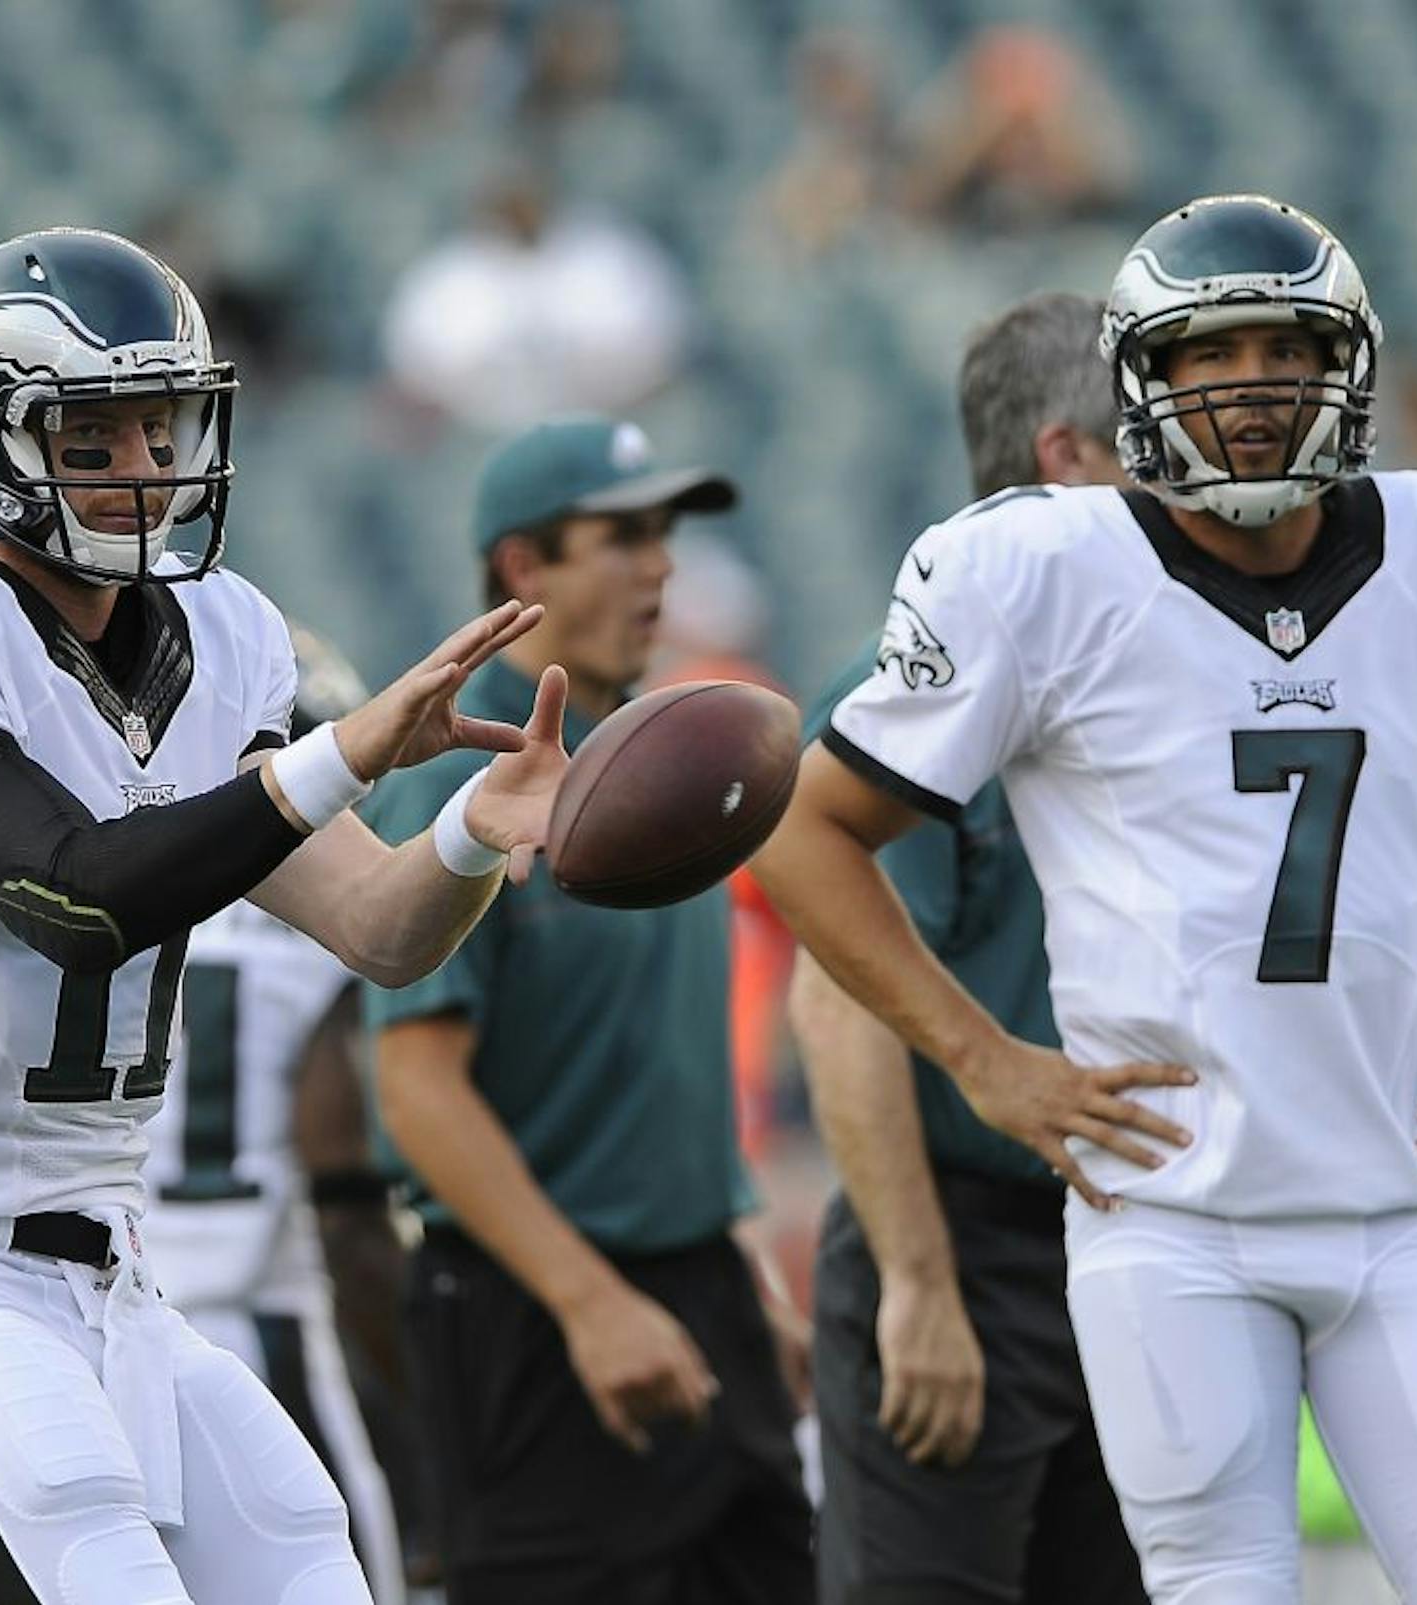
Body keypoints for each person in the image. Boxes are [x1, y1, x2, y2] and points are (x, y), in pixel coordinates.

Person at [752, 194, 1417, 1604]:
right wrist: (986, 1063)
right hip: (1174, 1217)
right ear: (1140, 380)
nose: (1250, 386)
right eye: (1207, 355)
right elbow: (809, 836)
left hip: (1401, 1206)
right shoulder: (1039, 568)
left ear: (1344, 365)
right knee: (1221, 1583)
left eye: (1287, 349)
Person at [0, 226, 573, 1605]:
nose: (144, 468)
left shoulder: (229, 636)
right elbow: (69, 898)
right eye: (96, 436)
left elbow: (376, 924)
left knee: (312, 1555)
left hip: (113, 1269)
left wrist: (465, 838)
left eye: (162, 427)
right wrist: (342, 753)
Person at [365, 415, 814, 1605]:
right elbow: (416, 1086)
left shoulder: (664, 764)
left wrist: (742, 1275)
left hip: (696, 1285)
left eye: (664, 534)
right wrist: (591, 1303)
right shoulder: (464, 783)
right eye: (621, 537)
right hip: (533, 1309)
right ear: (523, 569)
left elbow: (668, 1074)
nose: (660, 564)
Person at [793, 290, 1144, 1605]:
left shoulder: (1146, 683)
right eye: (1144, 442)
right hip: (969, 1233)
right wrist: (919, 1280)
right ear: (1067, 456)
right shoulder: (920, 693)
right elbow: (839, 1003)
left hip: (1130, 1233)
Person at [142, 622, 409, 1605]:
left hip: (92, 1327)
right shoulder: (318, 932)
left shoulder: (108, 878)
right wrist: (421, 1419)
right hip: (253, 1336)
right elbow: (343, 1192)